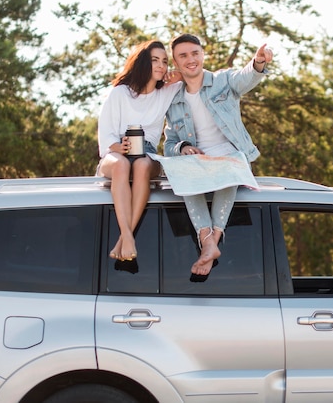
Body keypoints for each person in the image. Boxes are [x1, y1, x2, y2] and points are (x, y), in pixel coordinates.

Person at [163, 34, 273, 276]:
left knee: (229, 165)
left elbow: (244, 78)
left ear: (203, 54)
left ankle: (210, 243)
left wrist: (258, 62)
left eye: (194, 53)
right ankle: (209, 242)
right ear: (176, 61)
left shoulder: (222, 80)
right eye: (183, 55)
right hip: (198, 163)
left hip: (229, 158)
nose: (190, 59)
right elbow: (169, 143)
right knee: (183, 170)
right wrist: (182, 147)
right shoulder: (173, 99)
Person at [97, 40, 182, 261]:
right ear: (143, 62)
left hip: (148, 152)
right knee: (122, 164)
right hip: (116, 152)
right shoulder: (120, 93)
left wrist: (176, 73)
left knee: (143, 164)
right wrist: (118, 146)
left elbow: (192, 72)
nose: (161, 65)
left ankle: (123, 239)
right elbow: (105, 134)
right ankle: (127, 235)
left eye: (165, 61)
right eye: (155, 60)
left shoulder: (165, 92)